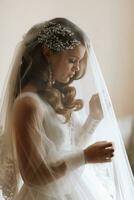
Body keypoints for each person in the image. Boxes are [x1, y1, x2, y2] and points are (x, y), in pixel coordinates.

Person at [0, 17, 133, 200]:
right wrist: (85, 157)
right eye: (72, 60)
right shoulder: (27, 104)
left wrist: (94, 117)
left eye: (79, 62)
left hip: (73, 190)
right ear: (48, 53)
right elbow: (33, 177)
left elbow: (71, 147)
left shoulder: (53, 98)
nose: (77, 69)